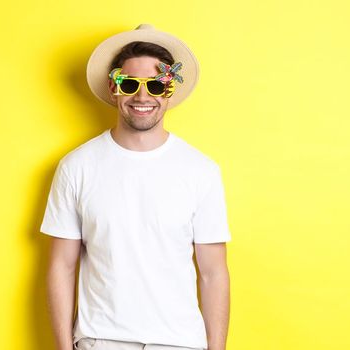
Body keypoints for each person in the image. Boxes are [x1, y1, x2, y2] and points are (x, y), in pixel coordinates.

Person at [41, 24, 231, 350]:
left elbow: (213, 273)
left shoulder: (201, 171)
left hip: (179, 343)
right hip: (102, 340)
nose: (143, 96)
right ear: (114, 88)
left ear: (169, 90)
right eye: (130, 84)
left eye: (156, 86)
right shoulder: (76, 167)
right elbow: (62, 265)